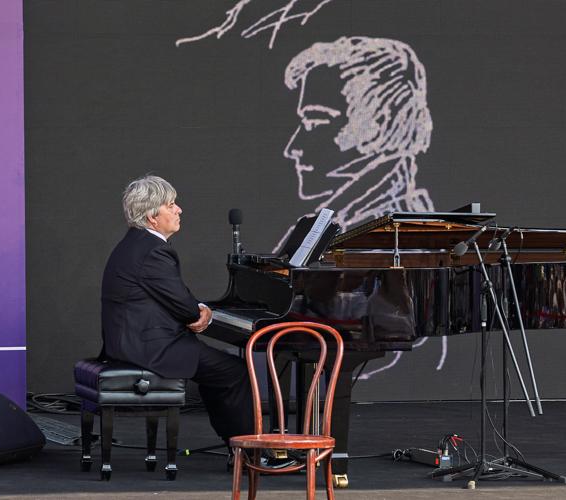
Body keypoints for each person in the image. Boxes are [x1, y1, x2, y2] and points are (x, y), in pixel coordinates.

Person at [100, 175, 253, 444]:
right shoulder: (152, 250)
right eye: (171, 205)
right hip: (150, 348)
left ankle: (235, 442)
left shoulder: (135, 244)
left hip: (133, 342)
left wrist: (199, 309)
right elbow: (185, 308)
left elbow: (174, 296)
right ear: (152, 217)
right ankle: (248, 448)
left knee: (223, 368)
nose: (179, 210)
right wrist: (200, 312)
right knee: (235, 371)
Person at [277, 36, 435, 252]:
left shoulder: (385, 234)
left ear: (379, 122)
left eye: (315, 121)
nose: (292, 148)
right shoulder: (351, 220)